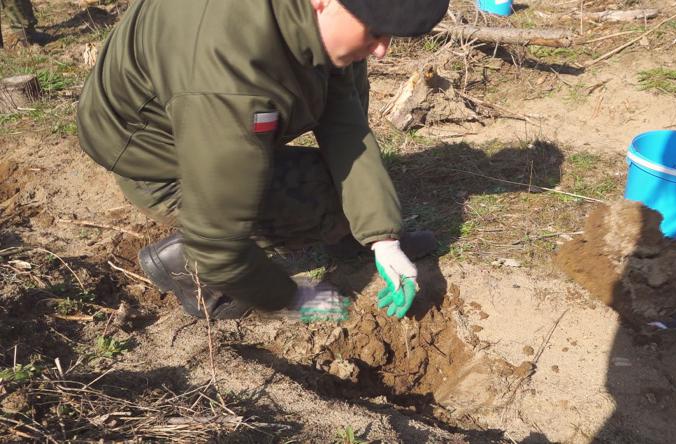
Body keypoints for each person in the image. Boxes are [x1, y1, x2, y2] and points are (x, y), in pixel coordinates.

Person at [76, 0, 449, 321]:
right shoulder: (229, 74)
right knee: (310, 201)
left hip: (209, 116)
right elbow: (219, 247)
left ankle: (349, 232)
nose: (383, 49)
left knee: (353, 184)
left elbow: (342, 114)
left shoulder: (319, 18)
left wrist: (382, 237)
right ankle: (185, 264)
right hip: (155, 158)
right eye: (375, 31)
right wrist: (291, 298)